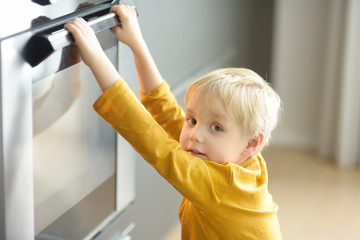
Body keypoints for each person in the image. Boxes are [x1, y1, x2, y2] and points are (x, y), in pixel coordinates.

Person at [65, 4, 282, 239]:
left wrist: (96, 58)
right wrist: (137, 44)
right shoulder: (239, 158)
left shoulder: (223, 186)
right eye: (193, 120)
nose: (196, 134)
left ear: (252, 143)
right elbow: (165, 110)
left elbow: (156, 146)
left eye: (217, 127)